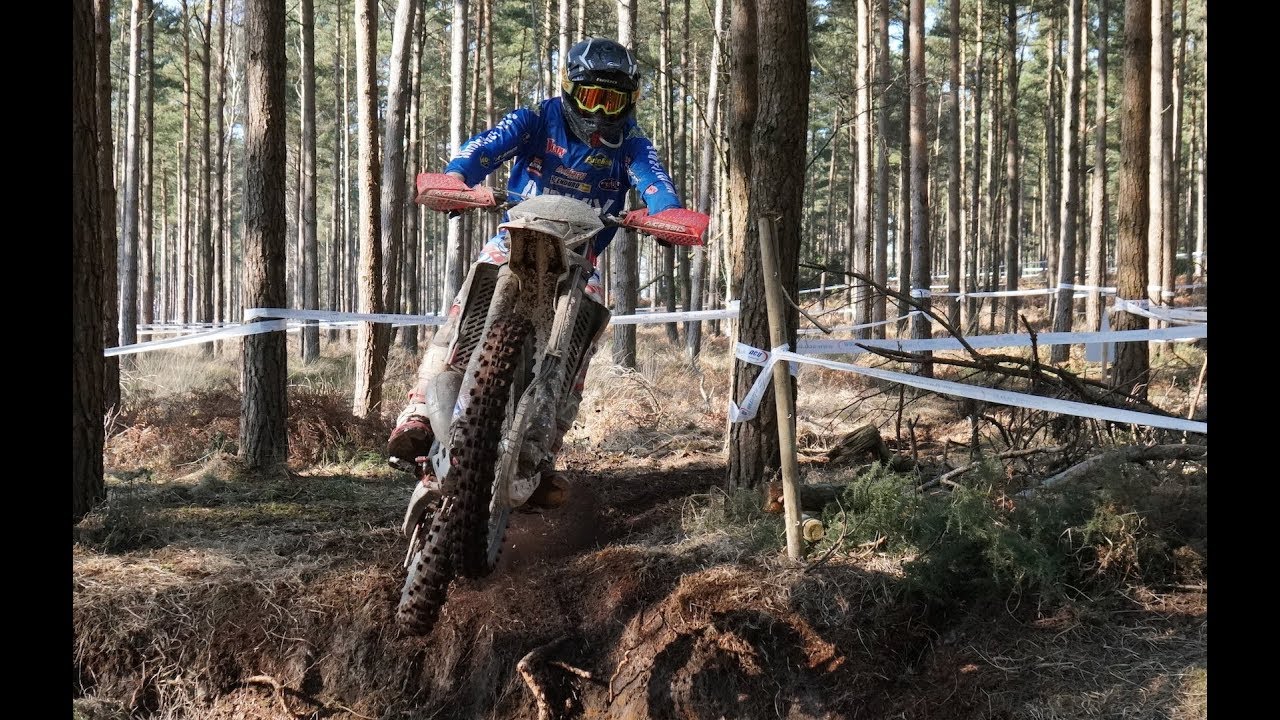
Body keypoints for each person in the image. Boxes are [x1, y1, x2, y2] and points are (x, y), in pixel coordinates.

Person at [387, 37, 684, 505]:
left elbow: (657, 184)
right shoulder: (535, 119)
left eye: (614, 100)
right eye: (592, 97)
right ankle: (420, 412)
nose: (602, 111)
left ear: (631, 101)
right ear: (569, 90)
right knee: (461, 312)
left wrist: (667, 216)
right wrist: (457, 177)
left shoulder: (632, 145)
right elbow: (484, 147)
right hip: (515, 238)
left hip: (582, 255)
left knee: (581, 345)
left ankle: (542, 453)